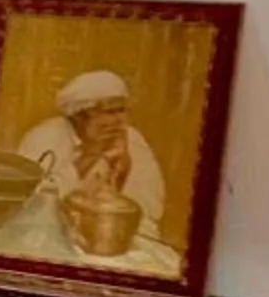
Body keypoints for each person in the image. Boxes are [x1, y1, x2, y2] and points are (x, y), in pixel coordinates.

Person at [13, 69, 174, 271]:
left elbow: (150, 210)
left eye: (122, 110)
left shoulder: (132, 139)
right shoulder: (44, 137)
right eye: (109, 112)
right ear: (79, 116)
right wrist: (88, 156)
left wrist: (123, 168)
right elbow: (30, 207)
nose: (119, 120)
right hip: (51, 238)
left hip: (115, 243)